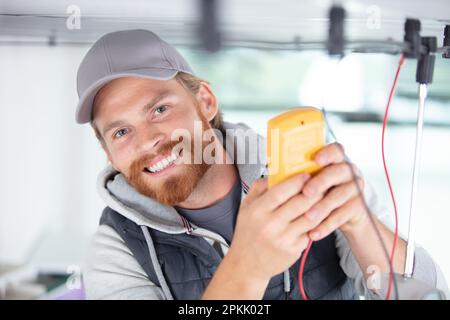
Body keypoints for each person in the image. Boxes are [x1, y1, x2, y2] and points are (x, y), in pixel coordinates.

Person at [76, 29, 449, 300]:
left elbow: (425, 295)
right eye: (121, 132)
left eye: (160, 109)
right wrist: (249, 266)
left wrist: (360, 224)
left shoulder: (309, 170)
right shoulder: (116, 248)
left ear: (205, 102)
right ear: (109, 154)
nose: (148, 142)